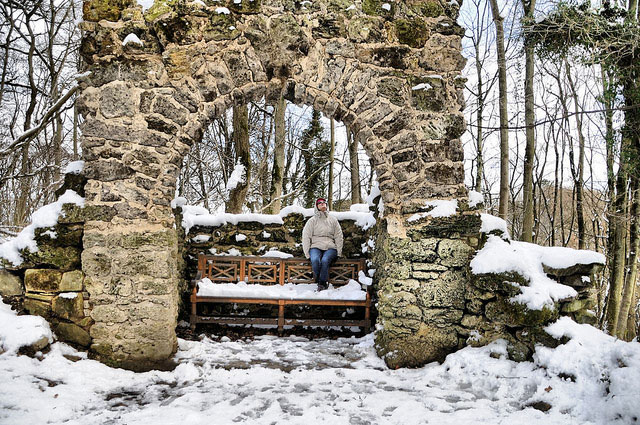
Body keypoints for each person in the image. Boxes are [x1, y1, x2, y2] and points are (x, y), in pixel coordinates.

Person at [302, 197, 344, 291]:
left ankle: (321, 283)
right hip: (316, 246)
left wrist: (339, 252)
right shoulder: (312, 221)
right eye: (320, 203)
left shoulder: (333, 220)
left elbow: (338, 236)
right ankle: (320, 280)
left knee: (325, 260)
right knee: (315, 260)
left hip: (330, 247)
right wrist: (307, 253)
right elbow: (306, 236)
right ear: (316, 206)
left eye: (324, 202)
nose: (322, 204)